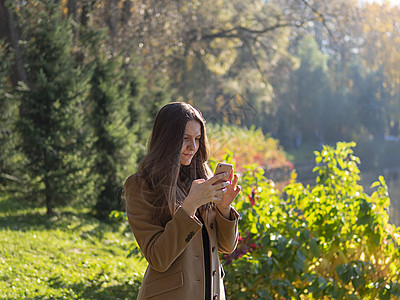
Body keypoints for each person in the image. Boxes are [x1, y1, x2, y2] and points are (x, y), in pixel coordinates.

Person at [124, 102, 241, 300]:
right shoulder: (141, 185)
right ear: (166, 139)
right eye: (185, 138)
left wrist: (224, 208)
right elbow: (158, 258)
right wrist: (190, 206)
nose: (193, 147)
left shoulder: (201, 180)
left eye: (197, 139)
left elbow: (227, 247)